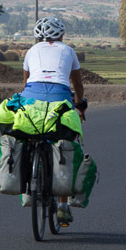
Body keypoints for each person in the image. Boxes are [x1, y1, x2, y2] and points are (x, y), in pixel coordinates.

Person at [22, 16, 86, 225]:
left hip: (32, 98)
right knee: (63, 145)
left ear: (37, 36)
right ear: (61, 35)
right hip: (60, 97)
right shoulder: (68, 51)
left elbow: (25, 84)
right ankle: (63, 206)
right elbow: (77, 86)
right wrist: (79, 106)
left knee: (28, 136)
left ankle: (28, 185)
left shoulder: (31, 51)